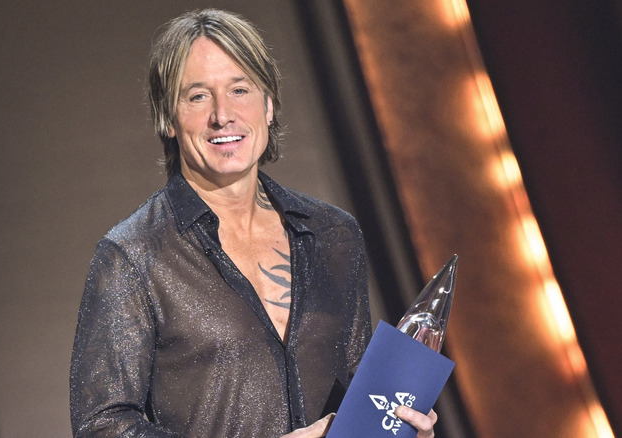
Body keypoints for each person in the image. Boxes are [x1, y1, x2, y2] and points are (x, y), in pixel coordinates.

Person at [70, 8, 438, 438]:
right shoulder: (132, 255)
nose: (223, 114)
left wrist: (395, 428)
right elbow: (102, 427)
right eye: (197, 96)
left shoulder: (332, 234)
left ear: (268, 104)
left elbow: (358, 394)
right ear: (168, 118)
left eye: (240, 89)